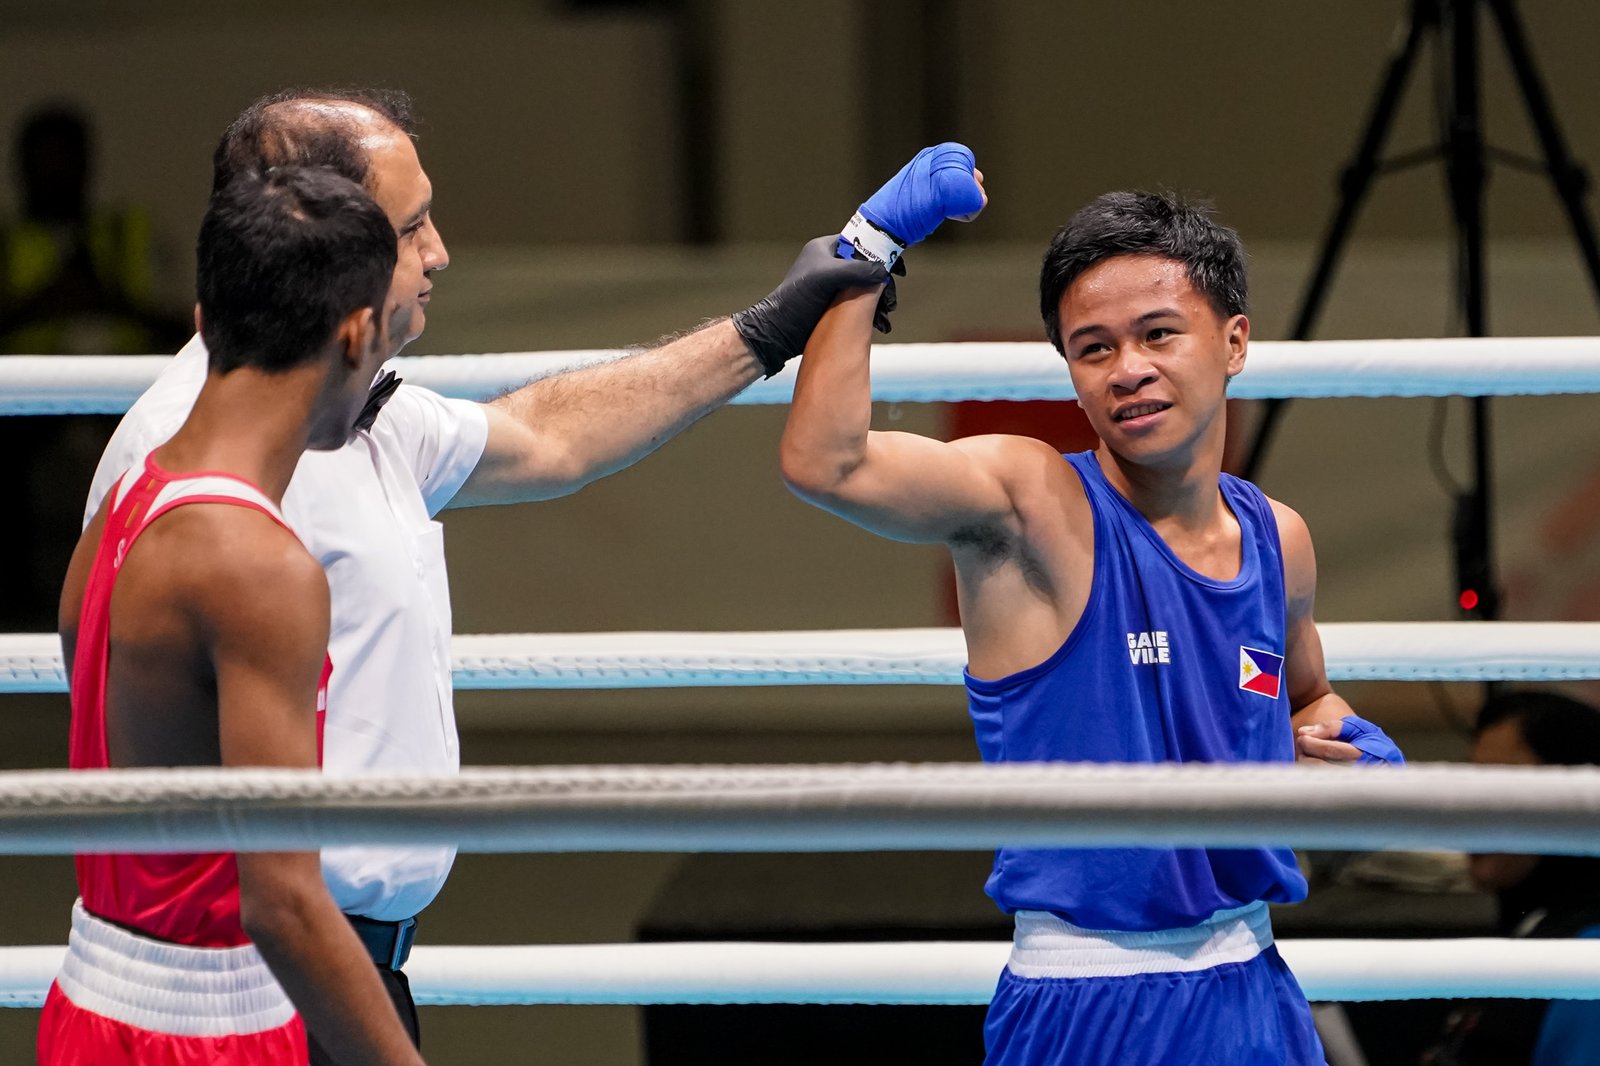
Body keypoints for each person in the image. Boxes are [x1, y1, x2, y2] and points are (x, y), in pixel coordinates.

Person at [83, 87, 889, 1060]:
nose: (438, 252)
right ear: (323, 250)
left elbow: (547, 436)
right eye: (411, 224)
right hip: (263, 982)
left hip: (263, 976)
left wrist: (767, 327)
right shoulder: (218, 499)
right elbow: (271, 890)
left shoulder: (319, 420)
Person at [780, 171, 1405, 1064]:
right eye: (1094, 348)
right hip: (1089, 1002)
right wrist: (865, 251)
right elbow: (825, 464)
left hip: (1256, 985)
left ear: (1232, 343)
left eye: (1158, 334)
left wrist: (1350, 749)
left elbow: (1305, 698)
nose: (1130, 370)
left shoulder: (1280, 540)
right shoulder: (1032, 503)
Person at [43, 167, 423, 1064]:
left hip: (92, 994)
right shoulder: (259, 567)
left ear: (206, 316)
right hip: (206, 1027)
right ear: (360, 330)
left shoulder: (128, 500)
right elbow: (282, 902)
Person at [1421, 690, 1600, 1066]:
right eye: (1471, 787)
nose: (1470, 812)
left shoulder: (1585, 962)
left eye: (1501, 788)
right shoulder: (1538, 934)